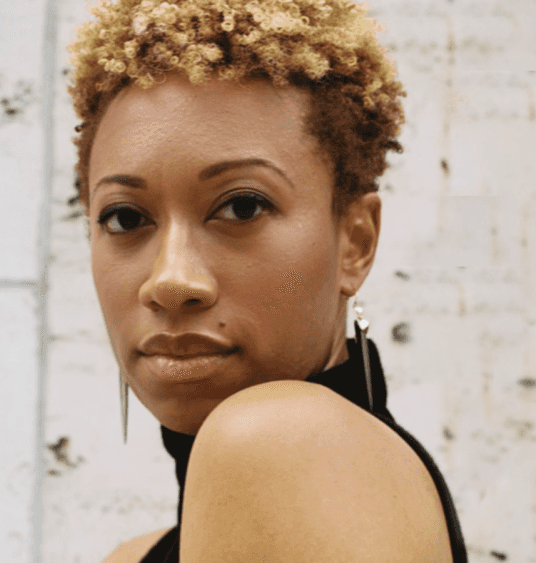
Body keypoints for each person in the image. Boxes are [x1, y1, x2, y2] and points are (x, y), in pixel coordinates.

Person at [66, 1, 468, 561]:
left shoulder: (277, 438)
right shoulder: (135, 556)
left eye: (241, 207)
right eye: (126, 218)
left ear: (356, 242)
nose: (171, 280)